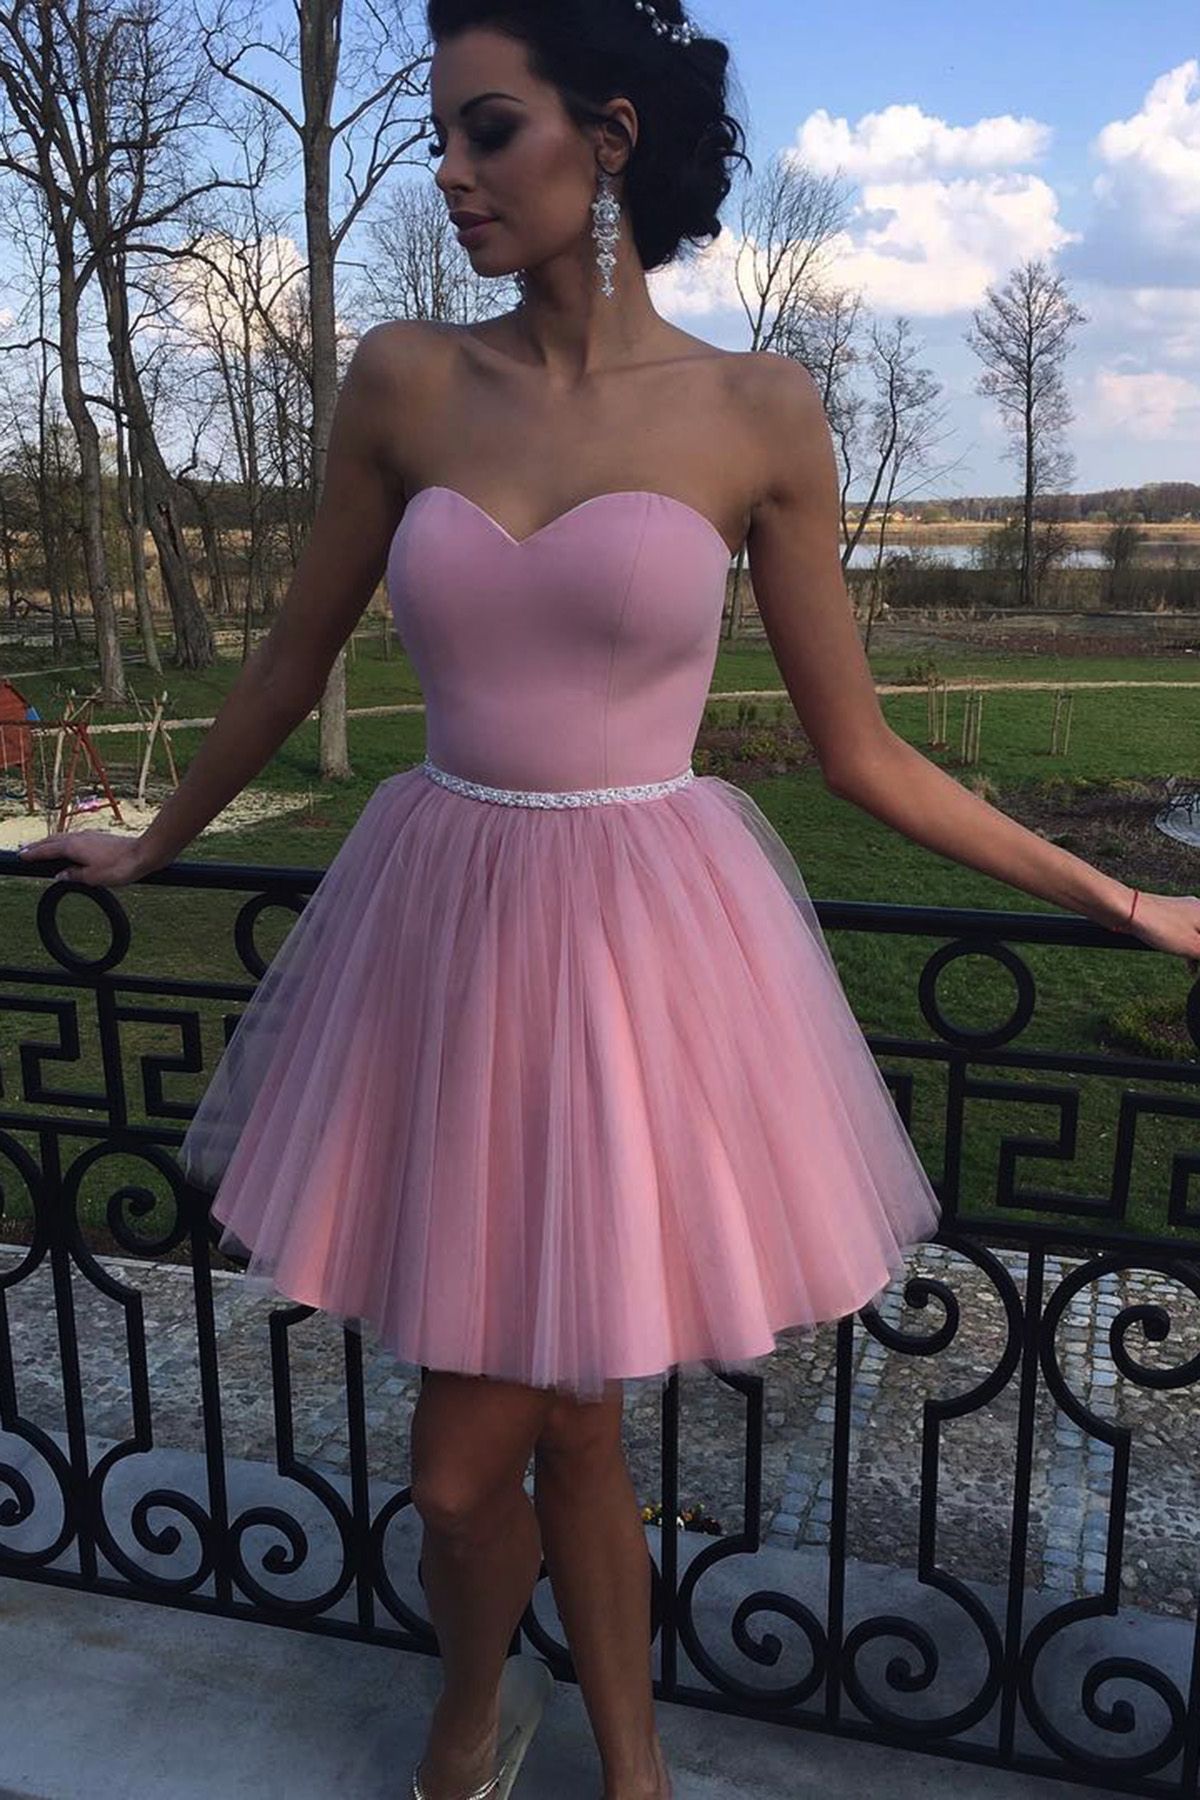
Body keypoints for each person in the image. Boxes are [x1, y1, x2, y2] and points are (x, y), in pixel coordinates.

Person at [18, 2, 1200, 1797]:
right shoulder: (406, 380)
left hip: (646, 953)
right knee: (478, 1462)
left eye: (489, 129)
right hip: (440, 938)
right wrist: (156, 840)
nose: (452, 172)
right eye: (441, 136)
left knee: (570, 1419)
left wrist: (1119, 898)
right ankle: (481, 1708)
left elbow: (862, 752)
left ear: (611, 137)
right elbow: (284, 661)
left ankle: (623, 1767)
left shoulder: (756, 409)